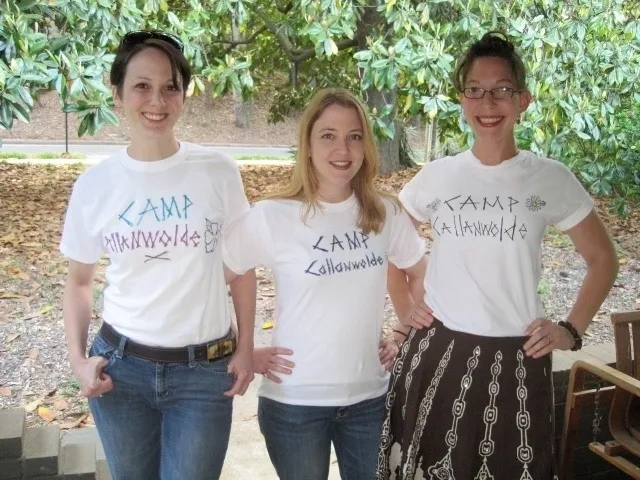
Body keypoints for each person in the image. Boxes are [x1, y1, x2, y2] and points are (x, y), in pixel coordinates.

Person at [377, 32, 618, 480]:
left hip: (519, 355)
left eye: (501, 89)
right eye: (475, 89)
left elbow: (603, 259)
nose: (487, 102)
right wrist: (405, 308)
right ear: (462, 99)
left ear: (522, 100)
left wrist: (570, 330)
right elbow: (390, 246)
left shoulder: (549, 178)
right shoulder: (438, 176)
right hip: (439, 349)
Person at [59, 30, 256, 480]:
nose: (157, 100)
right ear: (118, 93)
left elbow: (242, 268)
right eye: (142, 86)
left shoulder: (218, 172)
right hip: (120, 371)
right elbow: (79, 282)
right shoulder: (95, 185)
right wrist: (77, 360)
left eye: (170, 87)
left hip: (203, 374)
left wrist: (246, 347)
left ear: (183, 95)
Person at [222, 87, 430, 480]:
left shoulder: (384, 213)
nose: (343, 149)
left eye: (354, 136)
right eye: (328, 136)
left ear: (366, 145)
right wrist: (242, 347)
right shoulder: (273, 216)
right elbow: (215, 280)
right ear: (308, 144)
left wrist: (404, 333)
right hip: (294, 405)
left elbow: (420, 275)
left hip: (369, 401)